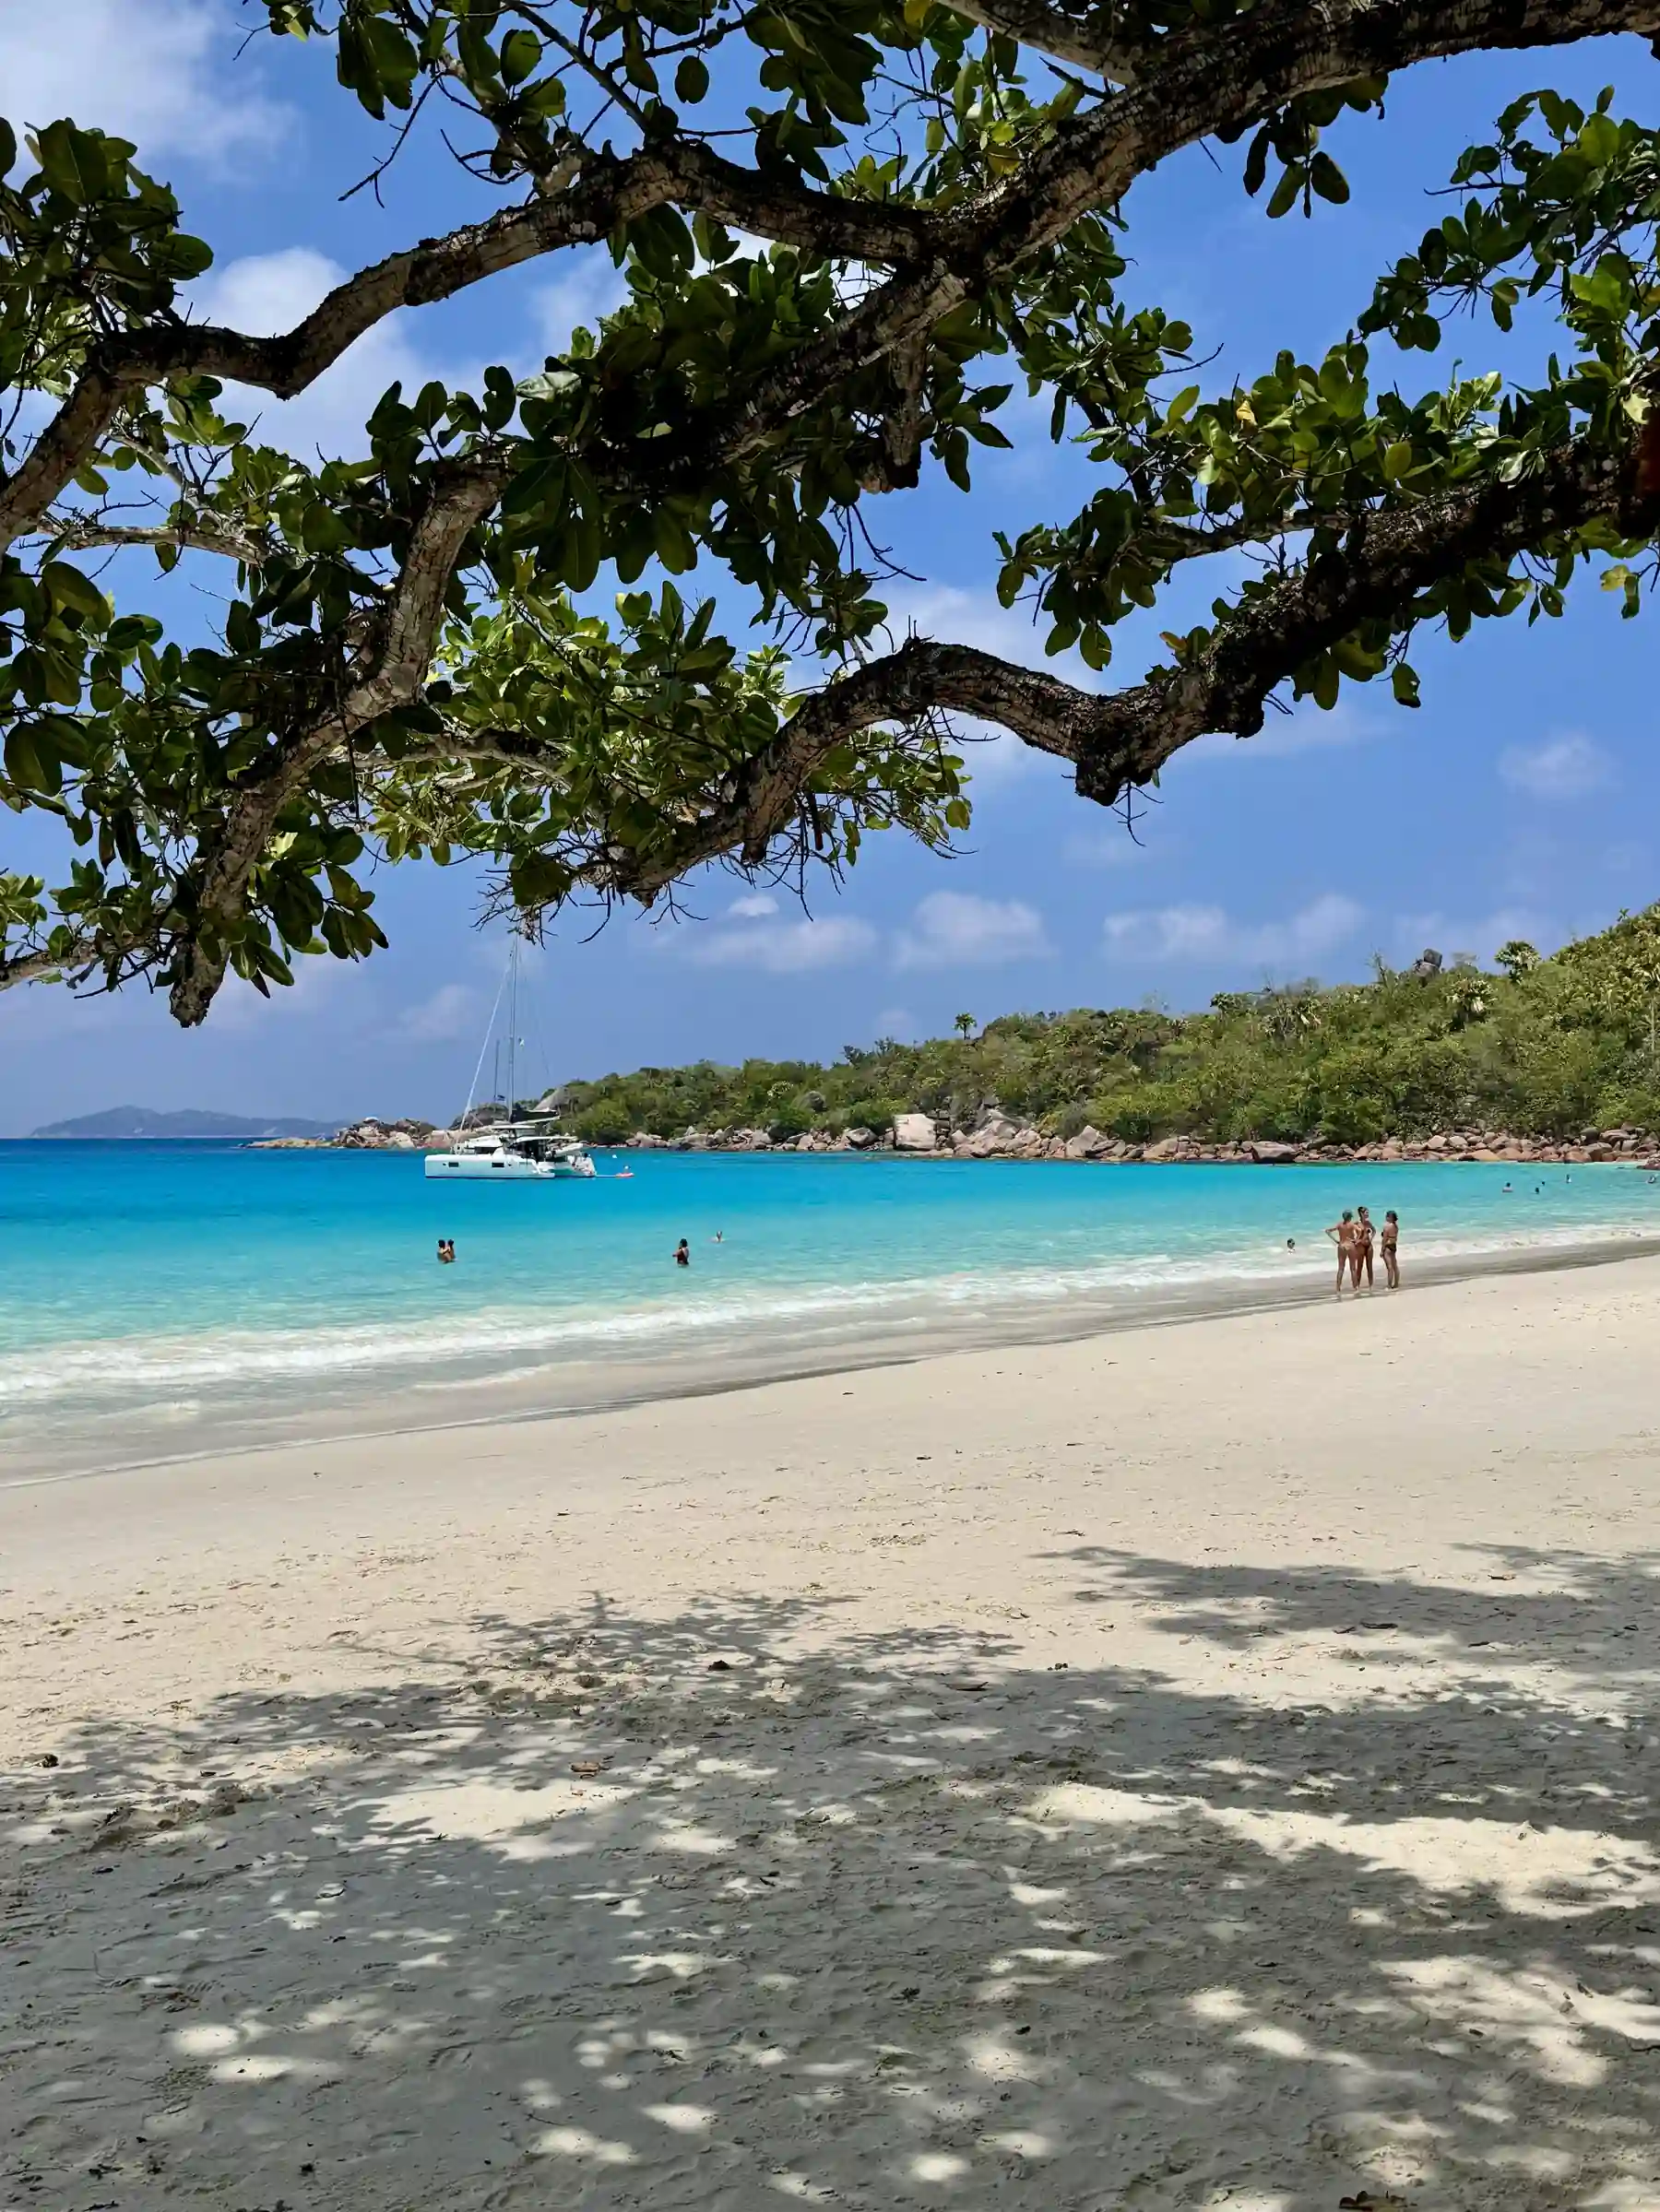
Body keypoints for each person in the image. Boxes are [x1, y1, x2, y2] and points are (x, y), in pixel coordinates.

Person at [1325, 1210, 1358, 1295]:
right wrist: (1356, 1240)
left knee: (1341, 1269)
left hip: (1342, 1245)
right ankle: (1356, 1288)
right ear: (1350, 1217)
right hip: (1350, 1245)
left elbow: (1327, 1231)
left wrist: (1336, 1240)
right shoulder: (1352, 1225)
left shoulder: (1340, 1225)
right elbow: (1360, 1231)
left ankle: (1338, 1289)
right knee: (1353, 1268)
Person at [1354, 1206, 1376, 1290]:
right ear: (1361, 1213)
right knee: (1359, 1266)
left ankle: (1371, 1285)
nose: (1367, 1214)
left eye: (1367, 1212)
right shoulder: (1357, 1223)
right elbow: (1351, 1232)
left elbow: (1374, 1230)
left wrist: (1371, 1238)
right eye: (1366, 1212)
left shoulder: (1368, 1223)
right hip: (1361, 1246)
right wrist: (1356, 1241)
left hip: (1369, 1245)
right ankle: (1357, 1286)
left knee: (1369, 1266)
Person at [1381, 1210, 1400, 1289]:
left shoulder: (1387, 1227)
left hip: (1388, 1246)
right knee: (1395, 1266)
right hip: (1393, 1245)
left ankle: (1389, 1285)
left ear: (1390, 1217)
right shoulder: (1395, 1226)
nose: (1386, 1217)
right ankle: (1396, 1283)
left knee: (1389, 1267)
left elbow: (1384, 1240)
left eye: (1387, 1216)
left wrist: (1382, 1250)